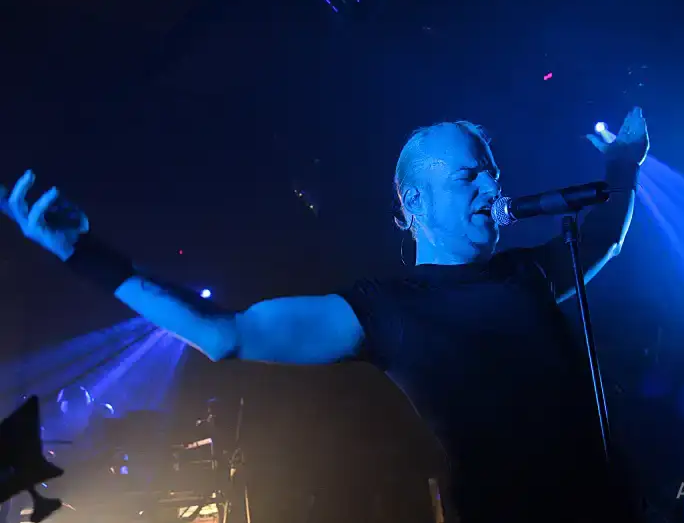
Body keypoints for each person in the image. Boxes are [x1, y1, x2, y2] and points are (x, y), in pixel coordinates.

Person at [1, 107, 649, 522]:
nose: (492, 188)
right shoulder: (388, 308)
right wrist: (84, 253)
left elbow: (606, 238)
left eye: (492, 174)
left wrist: (623, 164)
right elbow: (223, 334)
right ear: (414, 202)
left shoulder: (528, 272)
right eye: (467, 178)